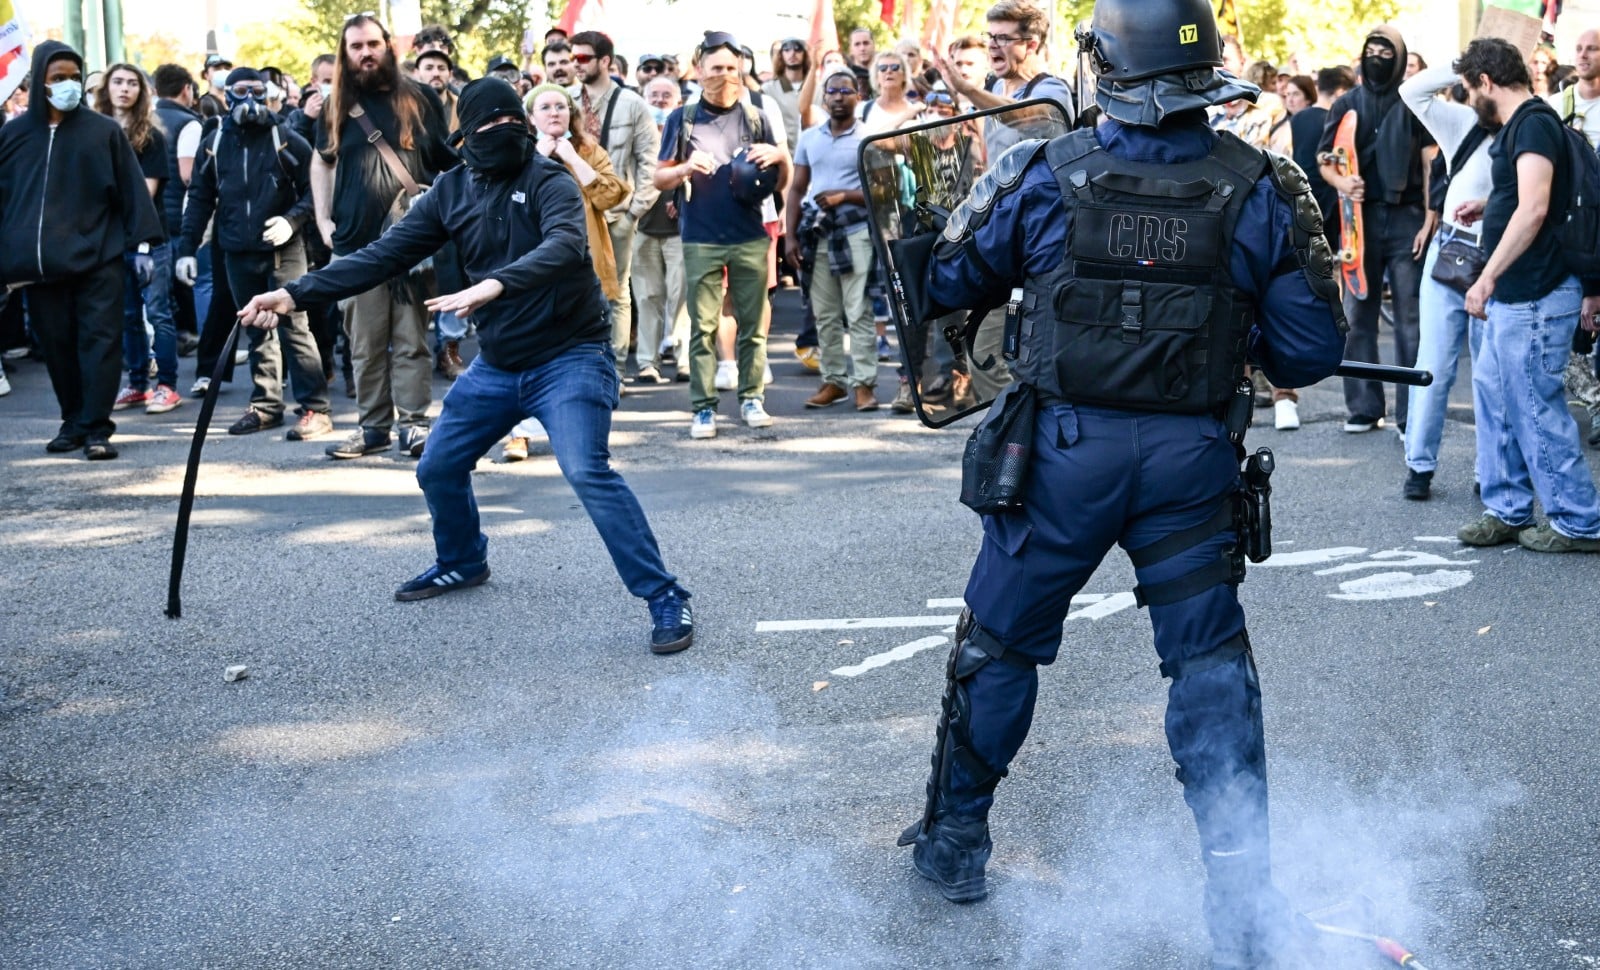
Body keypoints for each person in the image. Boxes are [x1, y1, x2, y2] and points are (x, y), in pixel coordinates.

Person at [892, 2, 1348, 966]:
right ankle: (1240, 902)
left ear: (1105, 64)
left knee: (1000, 647)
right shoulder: (1263, 183)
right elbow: (1310, 348)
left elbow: (949, 279)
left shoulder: (1041, 172)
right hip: (1189, 463)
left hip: (1061, 458)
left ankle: (955, 843)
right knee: (1210, 668)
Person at [237, 77, 697, 650]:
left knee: (586, 471)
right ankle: (462, 560)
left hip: (571, 358)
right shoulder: (452, 191)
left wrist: (494, 286)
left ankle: (665, 596)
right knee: (437, 465)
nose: (503, 136)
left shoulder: (550, 179)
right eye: (488, 129)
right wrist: (295, 293)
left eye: (513, 125)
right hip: (499, 366)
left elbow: (565, 246)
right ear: (464, 139)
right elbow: (382, 255)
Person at [1452, 38, 1600, 553]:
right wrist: (1489, 202)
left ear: (1487, 83)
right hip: (1517, 297)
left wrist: (1487, 277)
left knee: (1535, 407)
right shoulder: (1526, 126)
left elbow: (1535, 207)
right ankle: (1507, 509)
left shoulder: (1533, 122)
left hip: (1534, 294)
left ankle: (1579, 521)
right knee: (1498, 404)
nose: (1472, 101)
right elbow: (1528, 192)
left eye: (1471, 89)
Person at [0, 40, 164, 459]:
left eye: (75, 77)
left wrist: (143, 245)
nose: (69, 85)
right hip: (40, 266)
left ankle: (96, 428)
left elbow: (131, 190)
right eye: (59, 79)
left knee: (100, 343)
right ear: (39, 82)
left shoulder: (103, 131)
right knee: (56, 345)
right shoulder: (13, 135)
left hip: (98, 259)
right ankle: (72, 420)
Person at [312, 13, 456, 460]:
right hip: (355, 244)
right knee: (364, 344)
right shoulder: (336, 104)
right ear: (345, 52)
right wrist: (321, 220)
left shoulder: (420, 99)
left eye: (372, 44)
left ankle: (413, 425)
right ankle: (373, 428)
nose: (365, 53)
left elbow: (446, 163)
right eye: (355, 46)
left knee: (412, 341)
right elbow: (323, 160)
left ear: (388, 46)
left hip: (411, 243)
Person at [175, 67, 333, 442]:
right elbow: (199, 198)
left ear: (270, 94)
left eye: (258, 91)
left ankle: (315, 409)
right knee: (255, 328)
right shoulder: (214, 143)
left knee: (294, 327)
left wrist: (292, 222)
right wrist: (187, 249)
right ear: (226, 95)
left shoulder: (286, 138)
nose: (250, 100)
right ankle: (266, 405)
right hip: (235, 250)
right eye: (241, 91)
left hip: (283, 249)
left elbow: (318, 187)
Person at [652, 31, 790, 439]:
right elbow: (659, 178)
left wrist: (781, 156)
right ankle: (703, 408)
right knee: (703, 327)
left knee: (754, 326)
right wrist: (683, 169)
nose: (725, 76)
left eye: (732, 68)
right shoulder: (683, 118)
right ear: (699, 71)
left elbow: (784, 181)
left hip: (750, 236)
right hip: (700, 237)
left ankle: (752, 398)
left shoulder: (757, 116)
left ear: (742, 70)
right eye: (716, 69)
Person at [503, 83, 631, 461]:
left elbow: (611, 196)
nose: (554, 112)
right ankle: (519, 435)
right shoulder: (519, 155)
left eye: (561, 105)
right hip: (532, 268)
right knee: (527, 349)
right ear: (530, 117)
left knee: (580, 353)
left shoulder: (590, 150)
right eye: (545, 107)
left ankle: (578, 436)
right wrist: (538, 160)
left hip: (583, 267)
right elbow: (504, 206)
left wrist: (575, 159)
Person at [1317, 26, 1435, 434]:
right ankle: (1365, 407)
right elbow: (1326, 160)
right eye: (1372, 49)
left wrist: (1429, 217)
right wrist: (1342, 183)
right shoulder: (1346, 104)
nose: (1378, 56)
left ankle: (1410, 412)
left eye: (1387, 51)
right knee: (1358, 314)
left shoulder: (1413, 103)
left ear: (1400, 57)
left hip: (1406, 220)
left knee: (1410, 319)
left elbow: (1429, 164)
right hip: (1358, 223)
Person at [1399, 61, 1492, 501]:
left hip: (1499, 259)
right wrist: (1463, 63)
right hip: (1452, 252)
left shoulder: (1530, 121)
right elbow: (1412, 91)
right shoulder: (1463, 119)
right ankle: (1419, 465)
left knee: (1490, 373)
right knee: (1433, 365)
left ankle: (1490, 468)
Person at [569, 30, 660, 385]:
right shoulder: (566, 100)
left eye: (583, 58)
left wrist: (634, 212)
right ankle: (580, 367)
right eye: (572, 57)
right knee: (575, 290)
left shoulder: (633, 104)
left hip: (618, 214)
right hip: (575, 214)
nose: (576, 64)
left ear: (605, 61)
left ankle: (614, 369)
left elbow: (649, 162)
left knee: (617, 293)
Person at [786, 68, 878, 411]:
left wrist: (845, 196)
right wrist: (789, 238)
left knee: (858, 312)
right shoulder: (810, 137)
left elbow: (882, 190)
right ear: (824, 98)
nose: (838, 96)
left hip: (855, 231)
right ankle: (833, 381)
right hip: (817, 232)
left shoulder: (869, 137)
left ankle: (864, 384)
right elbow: (796, 189)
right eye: (832, 91)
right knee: (824, 313)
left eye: (846, 90)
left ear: (859, 96)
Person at [96, 63, 183, 417]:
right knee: (128, 316)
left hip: (150, 241)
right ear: (107, 88)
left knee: (158, 313)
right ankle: (137, 383)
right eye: (117, 82)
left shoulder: (152, 137)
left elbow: (142, 195)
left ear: (142, 92)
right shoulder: (95, 132)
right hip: (111, 242)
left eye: (132, 83)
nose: (124, 89)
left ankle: (167, 385)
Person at [934, 0, 1075, 158]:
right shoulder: (997, 87)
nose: (992, 45)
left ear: (1031, 46)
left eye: (1003, 38)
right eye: (990, 37)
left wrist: (967, 89)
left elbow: (1024, 116)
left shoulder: (1054, 90)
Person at [1550, 28, 1600, 447]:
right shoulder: (1557, 105)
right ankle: (1596, 401)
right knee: (1575, 330)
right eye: (1578, 48)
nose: (1582, 56)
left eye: (1592, 49)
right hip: (1578, 228)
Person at [632, 77, 690, 383]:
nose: (660, 99)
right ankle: (647, 362)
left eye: (667, 94)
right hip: (642, 227)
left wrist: (681, 197)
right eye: (653, 94)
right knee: (647, 296)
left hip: (680, 229)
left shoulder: (686, 132)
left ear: (678, 101)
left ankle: (684, 360)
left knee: (681, 297)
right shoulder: (634, 134)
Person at [151, 63, 203, 358]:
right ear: (187, 90)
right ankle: (188, 336)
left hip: (153, 214)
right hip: (178, 214)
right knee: (186, 279)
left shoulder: (145, 119)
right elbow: (189, 174)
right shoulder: (189, 123)